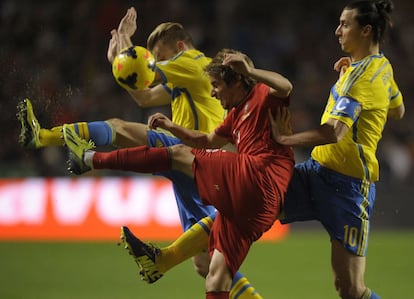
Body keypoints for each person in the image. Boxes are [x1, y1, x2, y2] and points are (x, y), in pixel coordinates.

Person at [99, 1, 404, 298]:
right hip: (315, 173)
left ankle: (97, 165)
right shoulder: (378, 69)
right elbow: (397, 109)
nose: (337, 30)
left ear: (365, 31)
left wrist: (286, 140)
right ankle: (163, 259)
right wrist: (369, 111)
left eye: (344, 24)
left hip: (348, 189)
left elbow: (334, 132)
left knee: (350, 290)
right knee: (243, 204)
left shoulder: (362, 79)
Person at [16, 7, 265, 299]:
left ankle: (44, 137)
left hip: (191, 155)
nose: (158, 63)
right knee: (206, 261)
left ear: (180, 46)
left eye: (161, 56)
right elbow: (143, 95)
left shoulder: (191, 61)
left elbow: (139, 71)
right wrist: (118, 59)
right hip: (194, 166)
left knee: (119, 128)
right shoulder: (185, 77)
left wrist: (123, 42)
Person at [62, 48, 295, 299]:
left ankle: (90, 159)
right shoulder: (234, 116)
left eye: (216, 85)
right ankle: (162, 260)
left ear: (236, 79)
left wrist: (250, 71)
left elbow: (286, 86)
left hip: (263, 177)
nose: (213, 92)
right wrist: (172, 126)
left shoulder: (262, 94)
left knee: (178, 155)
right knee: (215, 276)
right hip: (257, 208)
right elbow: (206, 140)